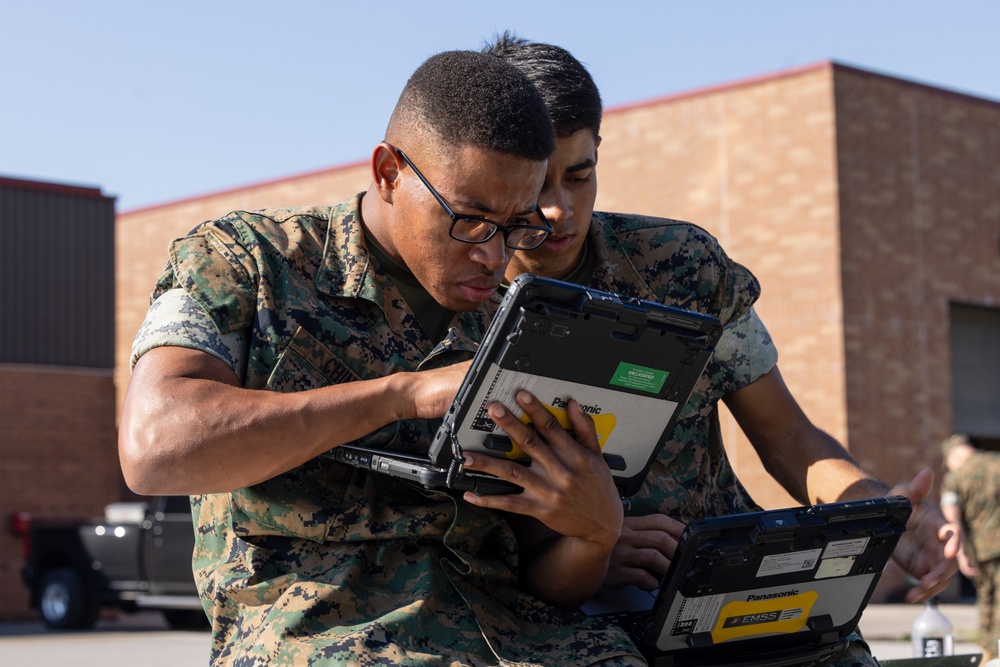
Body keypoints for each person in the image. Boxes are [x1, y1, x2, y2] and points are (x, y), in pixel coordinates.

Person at [119, 50, 646, 666]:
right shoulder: (247, 262)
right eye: (471, 220)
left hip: (517, 636)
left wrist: (592, 534)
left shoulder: (517, 319)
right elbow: (155, 449)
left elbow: (542, 573)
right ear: (389, 172)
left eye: (515, 225)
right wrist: (403, 394)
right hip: (322, 634)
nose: (494, 256)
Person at [482, 32, 960, 665]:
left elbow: (787, 435)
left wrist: (873, 514)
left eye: (580, 174)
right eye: (535, 182)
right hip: (548, 613)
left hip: (720, 579)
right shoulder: (459, 295)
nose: (558, 210)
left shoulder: (681, 267)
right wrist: (595, 543)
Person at [941, 433, 1000, 660]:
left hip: (982, 551)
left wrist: (961, 555)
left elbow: (952, 518)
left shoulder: (956, 477)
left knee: (987, 600)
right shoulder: (997, 462)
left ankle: (989, 652)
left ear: (953, 455)